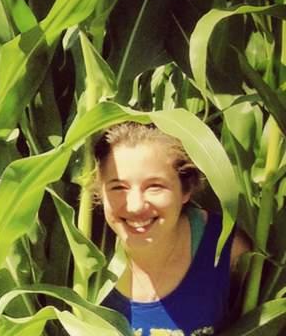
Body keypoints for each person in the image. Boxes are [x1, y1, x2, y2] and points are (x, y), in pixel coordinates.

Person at [93, 122, 252, 334]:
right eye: (118, 187)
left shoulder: (227, 250)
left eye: (155, 186)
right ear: (100, 192)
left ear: (185, 189)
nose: (135, 205)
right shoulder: (80, 264)